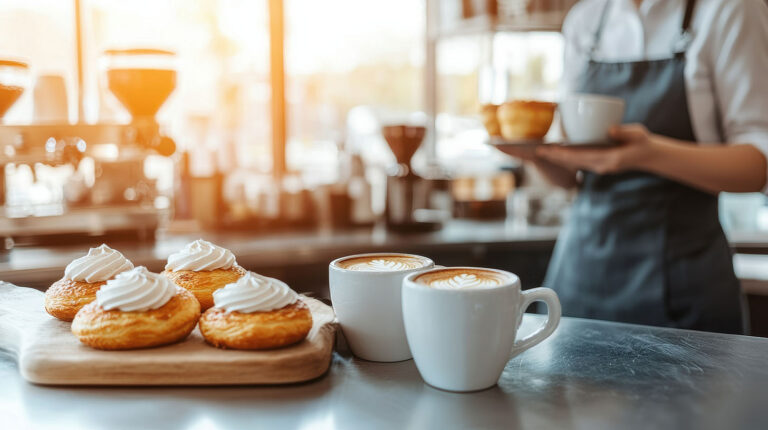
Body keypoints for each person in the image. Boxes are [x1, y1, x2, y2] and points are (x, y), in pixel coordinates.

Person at [505, 0, 768, 334]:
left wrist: (650, 153)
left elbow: (759, 163)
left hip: (684, 284)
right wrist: (536, 154)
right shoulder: (584, 20)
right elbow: (572, 179)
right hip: (579, 276)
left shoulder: (729, 9)